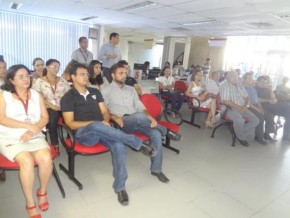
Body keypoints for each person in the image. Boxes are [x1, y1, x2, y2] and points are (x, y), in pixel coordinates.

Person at [60, 62, 156, 206]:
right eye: (82, 74)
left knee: (119, 146)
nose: (86, 77)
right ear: (73, 77)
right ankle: (137, 143)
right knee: (96, 125)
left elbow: (105, 112)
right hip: (82, 135)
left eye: (87, 74)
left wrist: (105, 121)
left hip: (102, 130)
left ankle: (120, 187)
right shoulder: (68, 98)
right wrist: (96, 123)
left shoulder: (95, 92)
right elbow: (70, 123)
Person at [102, 62, 182, 186]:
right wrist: (113, 117)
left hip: (139, 121)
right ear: (113, 75)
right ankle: (166, 131)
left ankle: (156, 170)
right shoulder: (106, 91)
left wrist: (149, 116)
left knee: (155, 133)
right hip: (123, 123)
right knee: (140, 116)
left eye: (125, 73)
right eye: (121, 73)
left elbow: (140, 107)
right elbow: (104, 111)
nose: (124, 75)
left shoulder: (131, 89)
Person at [0, 64, 52, 218]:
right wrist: (27, 126)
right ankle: (30, 203)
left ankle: (42, 192)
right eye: (20, 76)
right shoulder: (3, 95)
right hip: (10, 136)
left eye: (27, 75)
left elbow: (45, 117)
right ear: (12, 80)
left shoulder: (36, 94)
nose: (26, 79)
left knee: (46, 158)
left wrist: (31, 130)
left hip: (34, 134)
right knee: (27, 161)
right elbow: (2, 119)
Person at [32, 59, 70, 155]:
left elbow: (69, 94)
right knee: (53, 118)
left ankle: (71, 140)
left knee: (73, 115)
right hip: (48, 107)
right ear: (47, 67)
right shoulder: (39, 81)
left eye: (58, 67)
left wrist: (65, 105)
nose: (56, 69)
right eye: (54, 66)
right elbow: (38, 96)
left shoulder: (62, 80)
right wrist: (52, 105)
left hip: (63, 106)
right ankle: (55, 144)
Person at [219, 71, 259, 146]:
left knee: (256, 120)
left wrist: (244, 107)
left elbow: (247, 97)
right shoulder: (225, 86)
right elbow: (227, 101)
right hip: (229, 109)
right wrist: (239, 108)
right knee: (240, 120)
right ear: (227, 78)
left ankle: (239, 132)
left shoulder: (239, 85)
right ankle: (240, 137)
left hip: (242, 107)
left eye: (236, 76)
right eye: (233, 76)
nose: (236, 78)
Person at [243, 73, 276, 144]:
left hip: (255, 106)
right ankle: (258, 136)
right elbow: (248, 103)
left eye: (252, 79)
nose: (251, 80)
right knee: (260, 116)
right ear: (244, 79)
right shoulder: (242, 89)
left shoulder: (252, 89)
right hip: (248, 107)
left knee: (269, 115)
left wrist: (261, 108)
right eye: (249, 79)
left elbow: (257, 100)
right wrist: (258, 110)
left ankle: (267, 134)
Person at [255, 76, 290, 141]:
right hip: (263, 105)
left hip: (273, 106)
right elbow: (256, 99)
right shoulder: (255, 89)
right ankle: (285, 135)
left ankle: (286, 135)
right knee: (287, 108)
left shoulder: (267, 89)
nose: (264, 84)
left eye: (265, 83)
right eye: (262, 82)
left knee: (288, 110)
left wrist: (271, 90)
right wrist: (268, 100)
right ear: (257, 82)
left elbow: (274, 98)